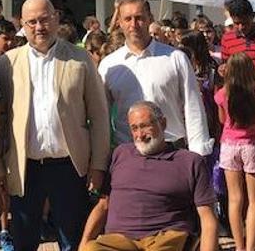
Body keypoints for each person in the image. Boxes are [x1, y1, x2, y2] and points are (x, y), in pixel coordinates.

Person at [0, 0, 110, 251]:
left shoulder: (80, 59)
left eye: (44, 19)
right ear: (22, 24)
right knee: (24, 241)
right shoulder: (6, 63)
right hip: (25, 168)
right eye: (31, 22)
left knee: (72, 241)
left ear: (55, 19)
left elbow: (99, 116)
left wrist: (98, 166)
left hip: (69, 167)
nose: (39, 27)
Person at [79, 101, 219, 251]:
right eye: (134, 128)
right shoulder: (120, 154)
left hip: (165, 239)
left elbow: (208, 217)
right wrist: (84, 244)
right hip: (119, 240)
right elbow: (103, 204)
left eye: (145, 126)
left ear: (163, 123)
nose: (140, 135)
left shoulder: (189, 161)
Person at [99, 0, 212, 155]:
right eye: (127, 19)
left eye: (139, 18)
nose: (133, 25)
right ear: (119, 22)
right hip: (128, 153)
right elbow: (101, 116)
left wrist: (199, 153)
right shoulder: (109, 65)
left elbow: (193, 107)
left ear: (150, 19)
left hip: (171, 151)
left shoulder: (175, 58)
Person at [215, 53, 255, 251]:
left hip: (229, 145)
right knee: (254, 200)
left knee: (235, 199)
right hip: (252, 145)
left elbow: (221, 120)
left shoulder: (222, 93)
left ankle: (240, 246)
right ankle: (252, 246)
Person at [221, 0, 255, 72]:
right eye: (237, 23)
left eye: (245, 23)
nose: (241, 28)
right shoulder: (226, 39)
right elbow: (226, 64)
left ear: (253, 16)